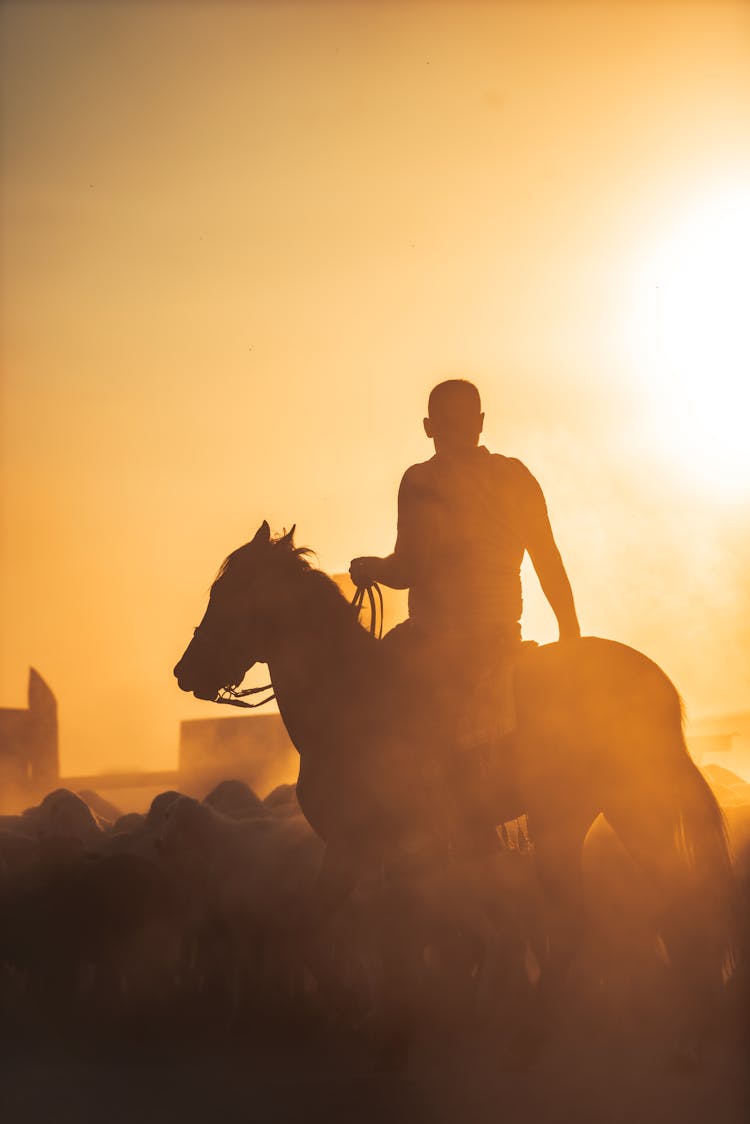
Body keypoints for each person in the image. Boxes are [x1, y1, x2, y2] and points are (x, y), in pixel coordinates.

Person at [349, 379, 580, 851]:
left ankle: (417, 825)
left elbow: (410, 568)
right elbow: (548, 561)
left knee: (369, 705)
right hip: (503, 636)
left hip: (439, 643)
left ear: (429, 428)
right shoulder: (516, 476)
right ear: (479, 424)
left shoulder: (421, 480)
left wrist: (368, 567)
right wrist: (570, 638)